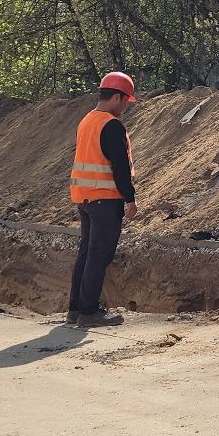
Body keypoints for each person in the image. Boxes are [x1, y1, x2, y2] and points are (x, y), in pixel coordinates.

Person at [68, 71, 139, 328]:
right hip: (105, 200)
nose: (124, 108)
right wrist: (130, 198)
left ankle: (76, 308)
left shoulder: (87, 121)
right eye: (124, 102)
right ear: (117, 97)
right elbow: (119, 166)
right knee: (98, 255)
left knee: (86, 253)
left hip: (85, 199)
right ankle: (89, 312)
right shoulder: (110, 125)